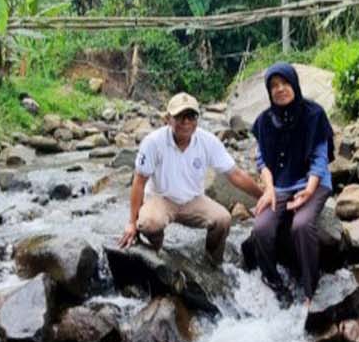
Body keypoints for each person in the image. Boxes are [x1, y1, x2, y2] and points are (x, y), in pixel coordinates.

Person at [120, 92, 263, 265]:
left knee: (223, 219)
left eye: (191, 116)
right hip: (161, 198)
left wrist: (263, 197)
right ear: (168, 119)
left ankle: (212, 263)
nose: (186, 122)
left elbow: (235, 174)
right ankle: (157, 253)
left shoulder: (207, 141)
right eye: (180, 116)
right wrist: (131, 223)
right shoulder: (153, 142)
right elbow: (139, 182)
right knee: (149, 223)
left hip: (194, 199)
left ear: (197, 118)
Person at [251, 63, 335, 304]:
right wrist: (268, 190)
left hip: (312, 182)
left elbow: (320, 158)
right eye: (274, 86)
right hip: (279, 186)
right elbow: (261, 160)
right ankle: (274, 282)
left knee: (300, 225)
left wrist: (308, 191)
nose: (280, 89)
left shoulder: (314, 114)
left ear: (295, 84)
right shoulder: (264, 121)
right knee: (261, 229)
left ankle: (310, 289)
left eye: (285, 83)